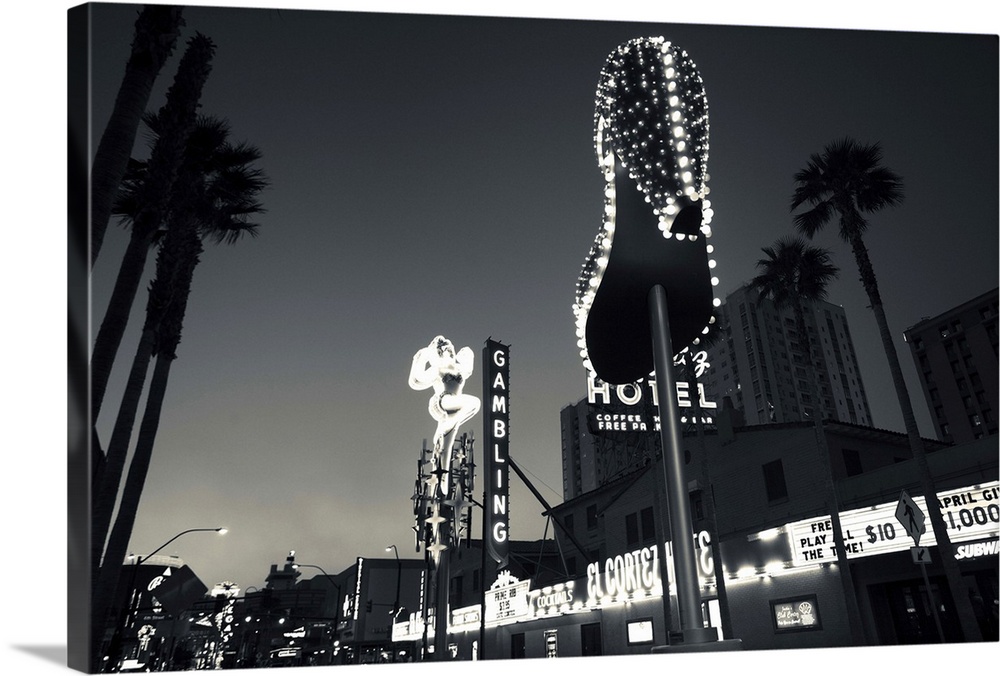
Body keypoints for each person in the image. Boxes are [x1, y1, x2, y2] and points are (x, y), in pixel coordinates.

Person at [409, 336, 481, 495]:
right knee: (472, 403)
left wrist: (467, 352)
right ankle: (443, 435)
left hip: (455, 403)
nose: (449, 349)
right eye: (445, 347)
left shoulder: (460, 368)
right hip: (442, 401)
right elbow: (415, 381)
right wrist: (420, 357)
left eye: (450, 346)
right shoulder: (438, 368)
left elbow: (469, 362)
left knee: (471, 408)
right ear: (439, 352)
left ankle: (442, 468)